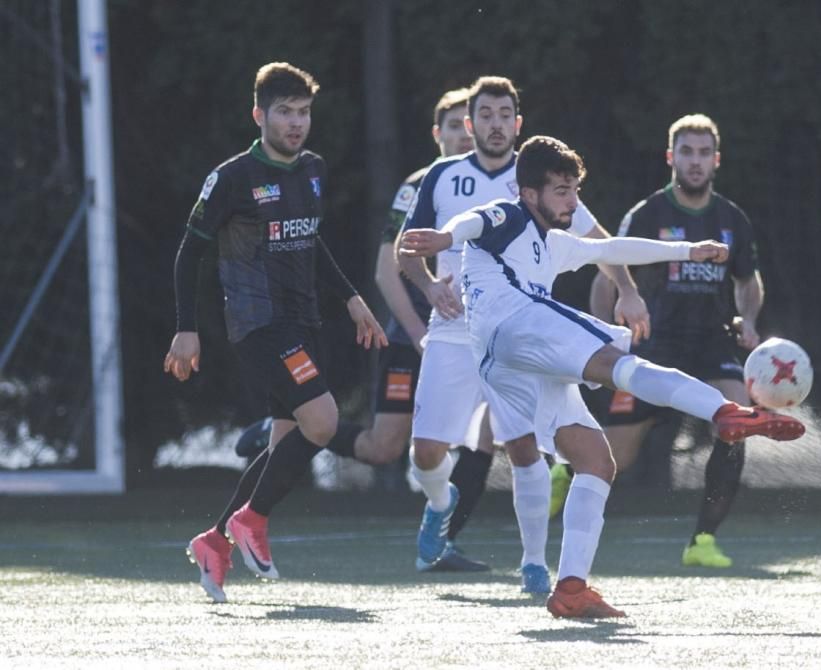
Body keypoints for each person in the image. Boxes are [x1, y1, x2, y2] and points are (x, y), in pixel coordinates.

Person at [399, 135, 804, 618]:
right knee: (621, 364)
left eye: (574, 189)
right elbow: (473, 222)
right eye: (562, 191)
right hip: (515, 325)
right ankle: (725, 412)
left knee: (596, 461)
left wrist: (689, 250)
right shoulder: (508, 217)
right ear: (530, 194)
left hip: (507, 361)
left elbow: (614, 246)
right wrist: (444, 239)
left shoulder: (555, 243)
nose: (572, 201)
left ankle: (570, 587)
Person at [397, 76, 648, 587]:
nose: (495, 124)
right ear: (468, 124)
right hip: (453, 330)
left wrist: (627, 288)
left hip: (520, 335)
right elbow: (407, 246)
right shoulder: (442, 176)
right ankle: (440, 502)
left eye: (504, 114)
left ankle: (534, 562)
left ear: (518, 122)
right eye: (484, 115)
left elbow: (600, 241)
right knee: (425, 451)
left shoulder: (538, 179)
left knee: (524, 447)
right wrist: (427, 288)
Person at [231, 87, 492, 572]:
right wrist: (417, 332)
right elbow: (385, 268)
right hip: (415, 338)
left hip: (476, 342)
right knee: (384, 447)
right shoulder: (422, 185)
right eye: (453, 126)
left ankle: (439, 545)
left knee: (483, 437)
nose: (462, 134)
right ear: (438, 135)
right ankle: (277, 428)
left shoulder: (500, 183)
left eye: (468, 125)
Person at [164, 62, 386, 604]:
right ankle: (252, 520)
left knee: (288, 443)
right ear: (259, 114)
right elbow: (190, 251)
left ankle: (216, 540)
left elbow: (312, 241)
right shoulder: (233, 177)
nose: (295, 122)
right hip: (259, 324)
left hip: (306, 321)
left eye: (304, 111)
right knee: (324, 421)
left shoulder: (312, 168)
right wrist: (185, 330)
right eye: (284, 112)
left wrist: (353, 298)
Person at [566, 113, 764, 569]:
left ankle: (702, 541)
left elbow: (748, 280)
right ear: (671, 157)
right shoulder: (648, 214)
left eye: (704, 153)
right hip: (655, 347)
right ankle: (563, 475)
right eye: (687, 152)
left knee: (734, 426)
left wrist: (749, 319)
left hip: (712, 347)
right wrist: (604, 338)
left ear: (717, 160)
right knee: (615, 459)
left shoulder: (732, 219)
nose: (696, 162)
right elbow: (608, 268)